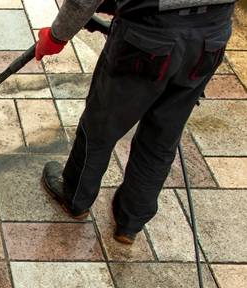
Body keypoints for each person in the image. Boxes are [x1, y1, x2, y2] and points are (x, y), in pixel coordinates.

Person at [35, 0, 235, 244]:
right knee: (162, 137)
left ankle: (75, 197)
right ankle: (130, 222)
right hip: (210, 39)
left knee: (101, 126)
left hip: (147, 38)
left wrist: (57, 36)